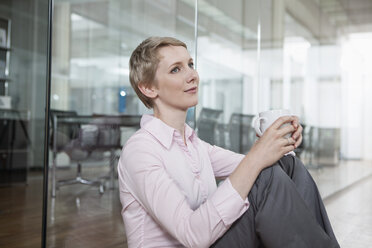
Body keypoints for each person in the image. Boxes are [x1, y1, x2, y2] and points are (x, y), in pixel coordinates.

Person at [117, 36, 340, 248]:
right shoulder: (141, 151)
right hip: (197, 242)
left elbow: (259, 167)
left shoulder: (194, 145)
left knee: (286, 165)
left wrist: (281, 142)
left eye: (191, 64)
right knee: (266, 173)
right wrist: (259, 155)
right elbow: (192, 235)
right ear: (148, 87)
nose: (192, 75)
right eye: (176, 69)